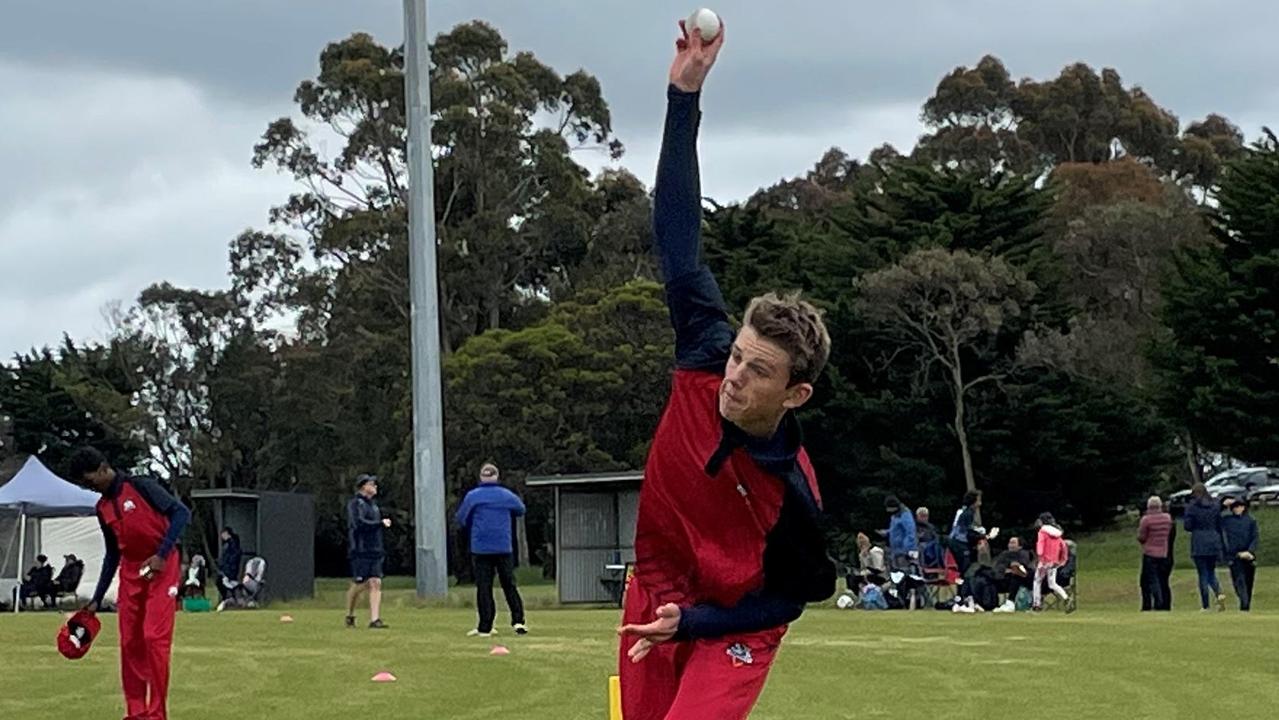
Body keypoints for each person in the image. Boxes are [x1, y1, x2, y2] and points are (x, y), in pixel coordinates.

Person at [614, 19, 837, 720]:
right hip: (651, 589)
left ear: (794, 392)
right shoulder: (704, 349)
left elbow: (795, 597)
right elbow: (677, 231)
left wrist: (699, 623)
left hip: (736, 621)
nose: (735, 375)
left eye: (758, 371)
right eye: (738, 355)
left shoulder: (793, 492)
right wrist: (684, 100)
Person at [68, 445, 191, 720]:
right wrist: (97, 599)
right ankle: (136, 713)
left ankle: (157, 713)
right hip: (131, 571)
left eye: (89, 481)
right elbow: (113, 553)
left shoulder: (141, 486)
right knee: (130, 643)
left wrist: (161, 554)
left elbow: (181, 513)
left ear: (103, 469)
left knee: (153, 637)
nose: (89, 487)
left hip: (162, 564)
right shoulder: (102, 508)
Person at [455, 463, 528, 637]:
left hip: (481, 548)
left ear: (481, 477)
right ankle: (518, 621)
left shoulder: (473, 496)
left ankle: (485, 626)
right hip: (503, 546)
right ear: (497, 477)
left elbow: (461, 518)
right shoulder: (505, 495)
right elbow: (520, 509)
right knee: (509, 584)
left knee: (484, 587)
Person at [345, 474, 391, 629]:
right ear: (363, 486)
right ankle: (350, 614)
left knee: (375, 582)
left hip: (375, 549)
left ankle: (375, 619)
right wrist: (379, 524)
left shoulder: (374, 505)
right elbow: (359, 524)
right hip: (360, 549)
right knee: (360, 583)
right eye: (371, 484)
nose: (375, 487)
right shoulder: (355, 504)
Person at [1183, 482, 1227, 612]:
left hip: (1199, 541)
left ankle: (1205, 605)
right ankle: (1219, 593)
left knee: (1202, 574)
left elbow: (1188, 526)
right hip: (1213, 540)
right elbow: (1219, 524)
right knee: (1211, 572)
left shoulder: (1192, 507)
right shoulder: (1215, 506)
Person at [1221, 497, 1259, 611]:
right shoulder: (1227, 520)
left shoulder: (1251, 520)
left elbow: (1255, 537)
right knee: (1239, 581)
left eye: (1240, 506)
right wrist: (1222, 505)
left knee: (1248, 582)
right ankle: (1244, 603)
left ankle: (1246, 605)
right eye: (1235, 507)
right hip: (1235, 555)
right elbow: (1214, 517)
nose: (1238, 509)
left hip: (1248, 555)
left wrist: (1250, 551)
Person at [1137, 495, 1173, 612]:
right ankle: (1164, 604)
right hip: (1163, 552)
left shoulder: (1146, 520)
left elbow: (1142, 537)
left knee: (1151, 580)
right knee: (1163, 579)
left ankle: (1157, 602)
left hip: (1150, 553)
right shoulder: (1167, 518)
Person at [1032, 513, 1070, 611]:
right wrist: (1063, 559)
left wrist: (1040, 556)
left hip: (1044, 561)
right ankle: (1065, 597)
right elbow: (1063, 546)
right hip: (1054, 562)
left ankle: (1037, 604)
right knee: (1052, 583)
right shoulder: (1058, 533)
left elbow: (1040, 544)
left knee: (1037, 581)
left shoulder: (1042, 532)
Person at [993, 537, 1034, 611]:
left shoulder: (1024, 554)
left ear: (1020, 546)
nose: (1010, 545)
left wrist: (1013, 569)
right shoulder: (1004, 554)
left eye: (1013, 543)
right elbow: (999, 567)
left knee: (1016, 575)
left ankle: (1010, 603)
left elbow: (1023, 567)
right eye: (1010, 543)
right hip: (1004, 579)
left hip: (1023, 579)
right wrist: (1006, 570)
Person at [948, 491, 984, 575]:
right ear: (973, 502)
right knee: (964, 569)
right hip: (960, 544)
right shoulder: (968, 514)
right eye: (978, 500)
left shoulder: (965, 512)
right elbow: (967, 532)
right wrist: (982, 536)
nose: (980, 503)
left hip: (957, 542)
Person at [885, 496, 918, 569]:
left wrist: (906, 549)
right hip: (895, 551)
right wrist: (887, 532)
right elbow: (895, 530)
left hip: (903, 552)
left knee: (904, 572)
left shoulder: (905, 515)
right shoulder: (894, 516)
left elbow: (910, 532)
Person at [216, 527, 242, 607]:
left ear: (227, 533)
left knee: (220, 582)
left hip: (230, 570)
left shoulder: (232, 544)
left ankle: (228, 599)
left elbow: (231, 558)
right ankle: (228, 599)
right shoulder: (229, 544)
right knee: (220, 582)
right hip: (228, 569)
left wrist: (225, 568)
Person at [1159, 499, 1176, 610]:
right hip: (1169, 556)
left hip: (1158, 555)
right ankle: (1166, 604)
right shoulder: (1172, 524)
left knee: (1158, 581)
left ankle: (1160, 603)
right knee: (1164, 582)